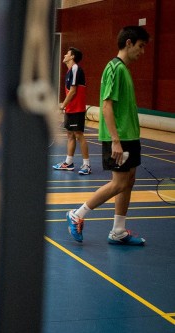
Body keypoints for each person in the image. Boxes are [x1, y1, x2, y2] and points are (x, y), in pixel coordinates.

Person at [66, 26, 150, 246]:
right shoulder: (114, 67)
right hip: (119, 137)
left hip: (130, 136)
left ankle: (118, 231)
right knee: (118, 183)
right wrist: (115, 140)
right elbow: (106, 106)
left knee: (128, 181)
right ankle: (77, 214)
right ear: (129, 43)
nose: (142, 52)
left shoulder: (125, 69)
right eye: (140, 46)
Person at [53, 47, 90, 175]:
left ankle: (86, 165)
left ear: (72, 57)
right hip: (71, 109)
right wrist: (66, 106)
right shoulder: (69, 71)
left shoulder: (75, 69)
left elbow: (73, 91)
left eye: (67, 54)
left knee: (79, 135)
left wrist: (62, 105)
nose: (64, 55)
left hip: (77, 109)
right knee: (70, 135)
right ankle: (68, 163)